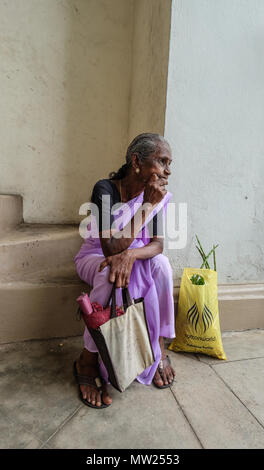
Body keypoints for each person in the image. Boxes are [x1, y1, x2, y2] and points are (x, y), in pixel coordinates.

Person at [73, 133, 176, 408]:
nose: (168, 170)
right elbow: (109, 249)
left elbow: (156, 246)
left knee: (162, 267)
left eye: (170, 164)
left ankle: (158, 347)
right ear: (136, 162)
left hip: (132, 253)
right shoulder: (105, 189)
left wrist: (130, 255)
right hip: (96, 255)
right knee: (111, 276)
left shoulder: (156, 197)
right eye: (162, 161)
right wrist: (146, 207)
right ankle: (88, 359)